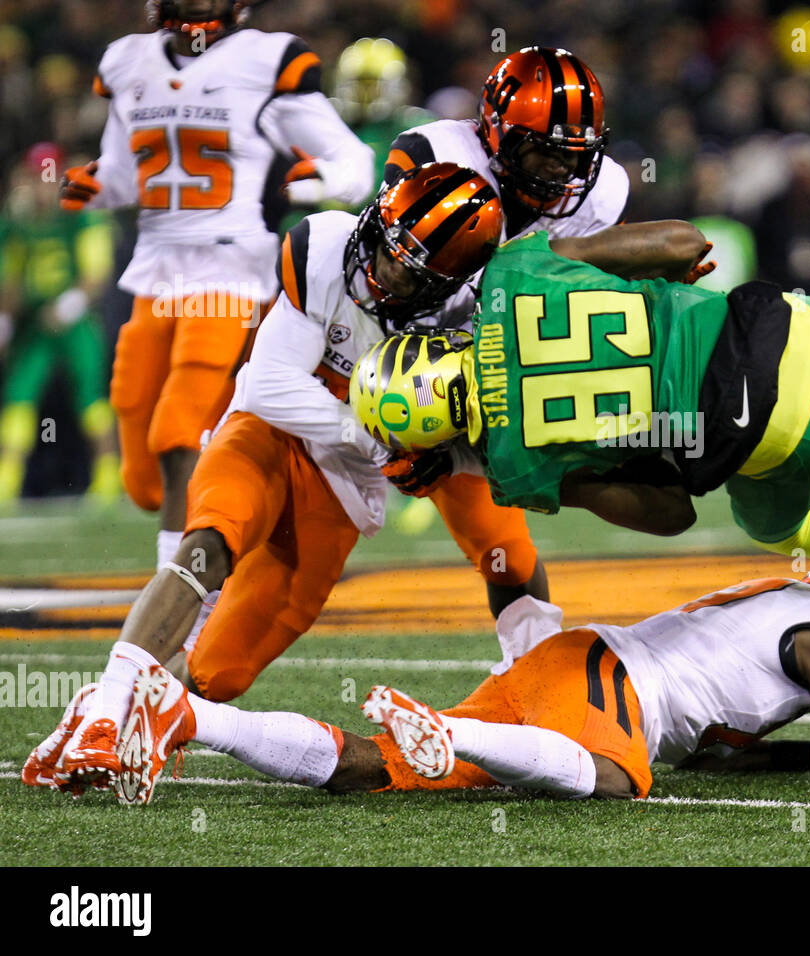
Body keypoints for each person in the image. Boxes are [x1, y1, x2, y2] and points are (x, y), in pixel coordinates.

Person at [21, 163, 513, 796]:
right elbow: (277, 385)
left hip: (341, 489)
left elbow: (470, 446)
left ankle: (92, 715)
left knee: (216, 673)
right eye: (387, 245)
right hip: (269, 431)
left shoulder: (470, 326)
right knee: (209, 543)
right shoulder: (328, 245)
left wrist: (435, 453)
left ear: (448, 285)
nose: (385, 268)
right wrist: (373, 434)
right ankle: (107, 716)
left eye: (409, 267)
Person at [354, 222, 810, 611]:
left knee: (783, 528)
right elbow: (683, 242)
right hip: (784, 338)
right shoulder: (513, 272)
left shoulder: (514, 469)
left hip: (770, 439)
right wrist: (653, 291)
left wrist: (577, 471)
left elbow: (673, 516)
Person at [27, 563, 810, 804]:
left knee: (366, 771)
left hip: (571, 667)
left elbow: (717, 735)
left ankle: (186, 711)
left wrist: (805, 753)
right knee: (612, 782)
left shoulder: (787, 616)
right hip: (609, 685)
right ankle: (449, 728)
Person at [59, 0, 373, 572]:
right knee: (140, 454)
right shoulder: (128, 63)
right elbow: (123, 171)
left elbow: (354, 161)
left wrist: (319, 181)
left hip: (231, 272)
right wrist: (93, 186)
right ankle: (225, 529)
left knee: (180, 429)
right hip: (156, 272)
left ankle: (177, 599)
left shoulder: (264, 60)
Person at [378, 46, 632, 608]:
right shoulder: (434, 154)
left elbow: (549, 302)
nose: (562, 169)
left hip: (477, 368)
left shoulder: (601, 190)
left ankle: (531, 674)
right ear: (495, 130)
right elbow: (389, 282)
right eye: (544, 151)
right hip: (386, 352)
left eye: (575, 154)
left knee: (506, 554)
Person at [0, 143, 119, 504]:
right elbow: (12, 279)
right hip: (38, 323)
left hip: (75, 321)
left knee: (90, 396)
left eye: (45, 178)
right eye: (34, 178)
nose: (40, 186)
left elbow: (97, 272)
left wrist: (70, 304)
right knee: (18, 394)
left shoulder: (80, 213)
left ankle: (108, 475)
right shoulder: (18, 222)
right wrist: (5, 317)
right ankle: (7, 478)